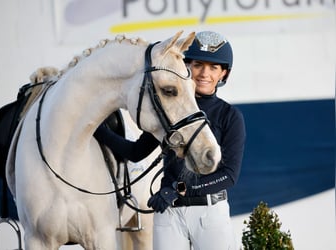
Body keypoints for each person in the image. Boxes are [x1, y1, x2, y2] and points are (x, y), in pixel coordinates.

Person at [94, 31, 246, 250]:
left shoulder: (230, 116)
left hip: (209, 213)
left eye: (213, 67)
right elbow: (137, 152)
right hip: (169, 212)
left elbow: (229, 175)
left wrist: (179, 188)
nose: (204, 73)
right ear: (186, 67)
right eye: (198, 65)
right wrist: (100, 131)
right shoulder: (171, 110)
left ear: (223, 74)